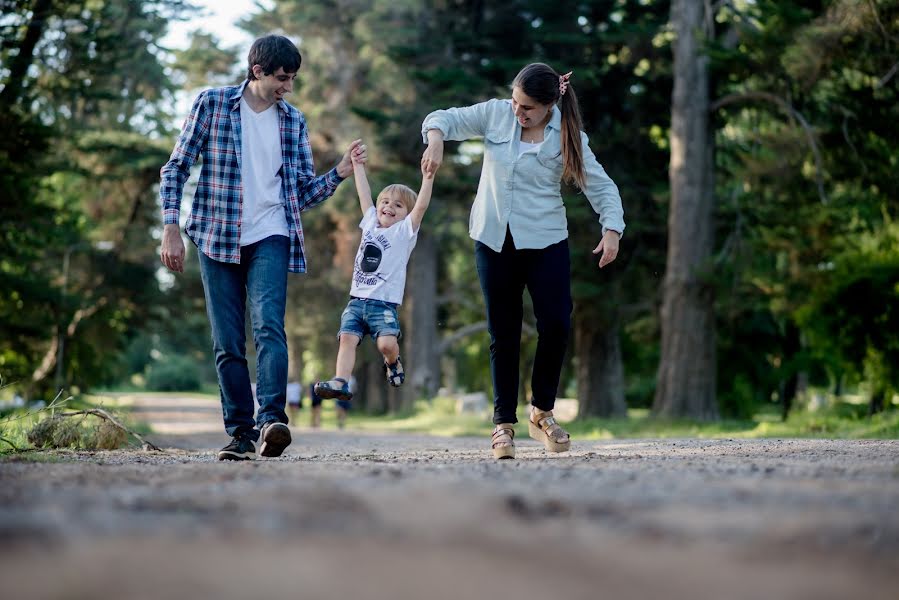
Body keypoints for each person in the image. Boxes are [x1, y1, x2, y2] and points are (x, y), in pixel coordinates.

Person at [158, 34, 365, 461]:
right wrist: (170, 227)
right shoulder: (212, 105)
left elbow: (302, 193)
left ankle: (273, 420)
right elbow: (176, 167)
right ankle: (240, 433)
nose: (287, 87)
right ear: (257, 72)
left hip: (271, 232)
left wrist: (340, 172)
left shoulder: (292, 121)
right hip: (216, 235)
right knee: (228, 341)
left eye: (292, 79)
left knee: (269, 325)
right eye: (282, 79)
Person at [420, 63, 625, 460]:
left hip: (546, 238)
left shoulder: (568, 137)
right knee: (504, 331)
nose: (518, 111)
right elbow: (441, 118)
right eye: (516, 102)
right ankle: (503, 426)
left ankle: (542, 413)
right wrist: (435, 140)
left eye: (528, 107)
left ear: (550, 105)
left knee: (556, 322)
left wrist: (612, 228)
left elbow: (602, 186)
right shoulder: (498, 113)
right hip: (493, 238)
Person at [313, 144, 435, 412]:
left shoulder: (405, 232)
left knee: (386, 344)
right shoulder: (369, 222)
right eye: (385, 202)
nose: (388, 207)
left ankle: (393, 362)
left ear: (407, 214)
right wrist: (358, 166)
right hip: (357, 301)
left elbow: (422, 206)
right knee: (347, 338)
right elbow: (364, 194)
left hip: (383, 304)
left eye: (398, 205)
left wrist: (428, 178)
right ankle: (341, 381)